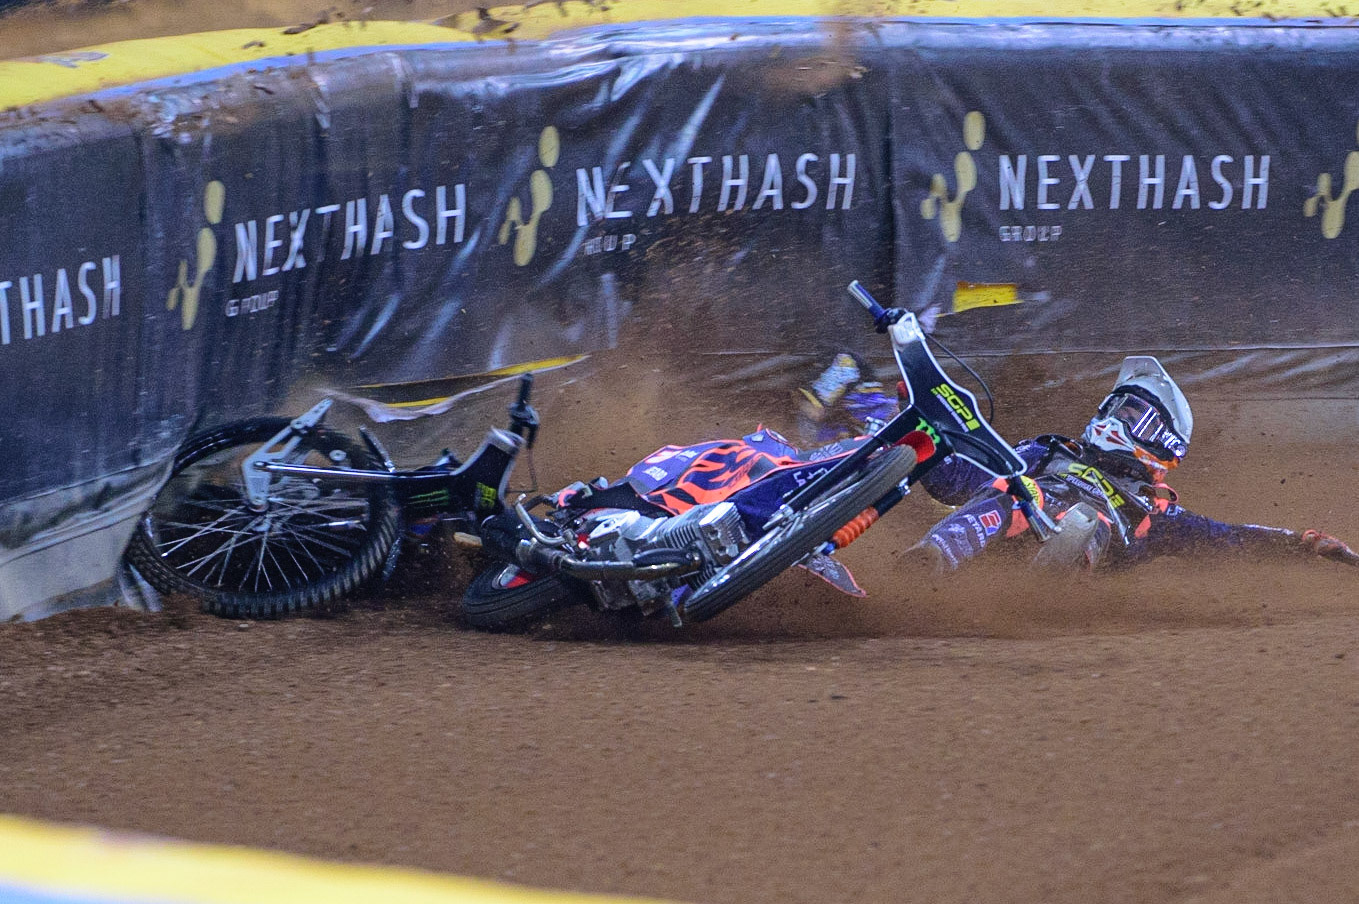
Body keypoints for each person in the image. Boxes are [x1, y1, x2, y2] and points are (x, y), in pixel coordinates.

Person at [799, 353, 1358, 571]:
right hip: (1015, 501)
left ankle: (1061, 554)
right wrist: (927, 434)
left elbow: (1226, 537)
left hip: (1086, 533)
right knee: (993, 483)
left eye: (1134, 411)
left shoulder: (1152, 511)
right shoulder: (1051, 449)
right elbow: (965, 476)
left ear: (1160, 441)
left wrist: (1299, 542)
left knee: (1060, 513)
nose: (1116, 414)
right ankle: (816, 456)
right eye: (1119, 404)